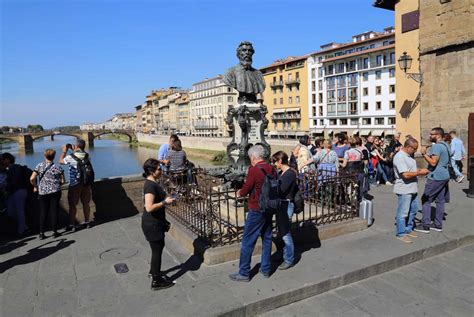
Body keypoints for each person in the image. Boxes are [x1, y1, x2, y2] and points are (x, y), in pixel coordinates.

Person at [229, 145, 273, 282]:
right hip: (269, 207)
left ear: (254, 157)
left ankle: (244, 272)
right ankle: (266, 269)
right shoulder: (271, 168)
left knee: (248, 241)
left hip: (256, 208)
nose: (250, 160)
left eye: (250, 158)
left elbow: (246, 188)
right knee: (267, 238)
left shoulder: (254, 170)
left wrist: (239, 193)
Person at [141, 158, 175, 290]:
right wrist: (165, 202)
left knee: (157, 249)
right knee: (157, 251)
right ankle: (156, 280)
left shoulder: (152, 182)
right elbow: (149, 207)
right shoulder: (150, 185)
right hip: (152, 224)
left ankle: (153, 272)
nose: (161, 171)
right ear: (152, 171)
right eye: (159, 169)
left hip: (154, 223)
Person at [393, 138, 429, 243]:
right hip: (404, 189)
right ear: (408, 147)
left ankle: (408, 229)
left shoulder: (408, 157)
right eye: (414, 149)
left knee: (413, 210)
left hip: (412, 188)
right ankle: (401, 233)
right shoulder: (400, 157)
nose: (415, 151)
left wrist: (418, 172)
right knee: (403, 212)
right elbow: (405, 174)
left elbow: (411, 172)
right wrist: (419, 172)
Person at [416, 127, 451, 234]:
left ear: (438, 135)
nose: (430, 136)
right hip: (444, 175)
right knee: (440, 201)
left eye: (432, 134)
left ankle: (425, 225)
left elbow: (433, 162)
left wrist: (424, 153)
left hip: (436, 177)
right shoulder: (446, 145)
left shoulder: (437, 147)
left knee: (426, 199)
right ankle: (437, 224)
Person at [271, 151, 298, 270]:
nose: (274, 164)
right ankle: (283, 254)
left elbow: (281, 190)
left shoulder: (289, 174)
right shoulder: (283, 172)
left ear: (280, 161)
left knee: (286, 233)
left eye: (275, 161)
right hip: (282, 205)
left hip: (286, 205)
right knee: (282, 232)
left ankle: (289, 259)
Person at [59, 139, 93, 231]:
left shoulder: (70, 157)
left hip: (75, 184)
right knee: (86, 203)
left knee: (73, 205)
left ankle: (72, 224)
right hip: (86, 183)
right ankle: (87, 222)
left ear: (77, 146)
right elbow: (80, 156)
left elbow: (61, 161)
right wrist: (75, 149)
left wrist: (64, 151)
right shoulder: (87, 155)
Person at [30, 149, 64, 239]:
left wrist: (36, 186)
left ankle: (41, 233)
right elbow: (63, 181)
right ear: (54, 156)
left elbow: (32, 178)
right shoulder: (58, 167)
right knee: (54, 211)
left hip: (43, 192)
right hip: (55, 191)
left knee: (43, 212)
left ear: (45, 156)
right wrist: (57, 183)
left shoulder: (39, 166)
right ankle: (54, 232)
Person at [1, 153, 29, 234]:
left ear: (8, 159)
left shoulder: (15, 168)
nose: (2, 161)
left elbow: (14, 181)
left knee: (19, 211)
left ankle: (21, 230)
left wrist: (6, 186)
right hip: (12, 192)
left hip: (19, 191)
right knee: (10, 212)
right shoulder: (8, 169)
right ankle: (24, 226)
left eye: (3, 159)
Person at [341, 137, 367, 201]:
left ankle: (350, 200)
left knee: (349, 187)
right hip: (359, 171)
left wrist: (339, 163)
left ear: (349, 144)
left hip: (350, 172)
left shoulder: (347, 152)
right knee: (358, 186)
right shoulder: (360, 151)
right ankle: (358, 198)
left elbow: (344, 165)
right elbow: (363, 161)